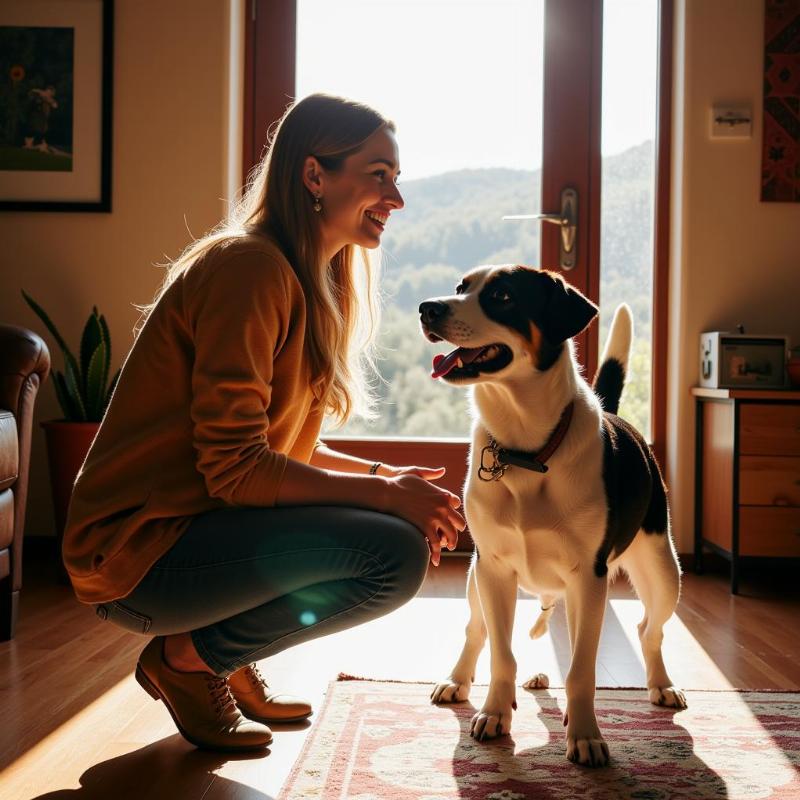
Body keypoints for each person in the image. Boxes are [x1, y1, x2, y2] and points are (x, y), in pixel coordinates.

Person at [62, 93, 465, 752]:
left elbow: (278, 445)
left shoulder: (300, 277)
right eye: (380, 175)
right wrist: (388, 496)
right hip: (137, 552)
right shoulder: (248, 269)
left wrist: (380, 474)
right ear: (314, 176)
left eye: (397, 179)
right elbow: (235, 468)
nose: (397, 199)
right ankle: (189, 658)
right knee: (391, 554)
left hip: (192, 529)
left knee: (389, 528)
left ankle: (215, 646)